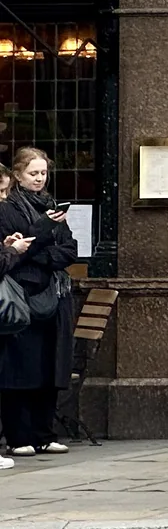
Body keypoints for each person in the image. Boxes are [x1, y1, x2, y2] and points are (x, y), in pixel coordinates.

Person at [0, 149, 77, 457]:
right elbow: (18, 252)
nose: (39, 179)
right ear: (18, 175)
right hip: (25, 295)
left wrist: (46, 254)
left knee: (50, 365)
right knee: (22, 367)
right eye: (33, 173)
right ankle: (20, 436)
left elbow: (69, 250)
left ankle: (44, 433)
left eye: (43, 173)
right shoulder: (8, 209)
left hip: (55, 294)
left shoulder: (51, 205)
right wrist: (43, 238)